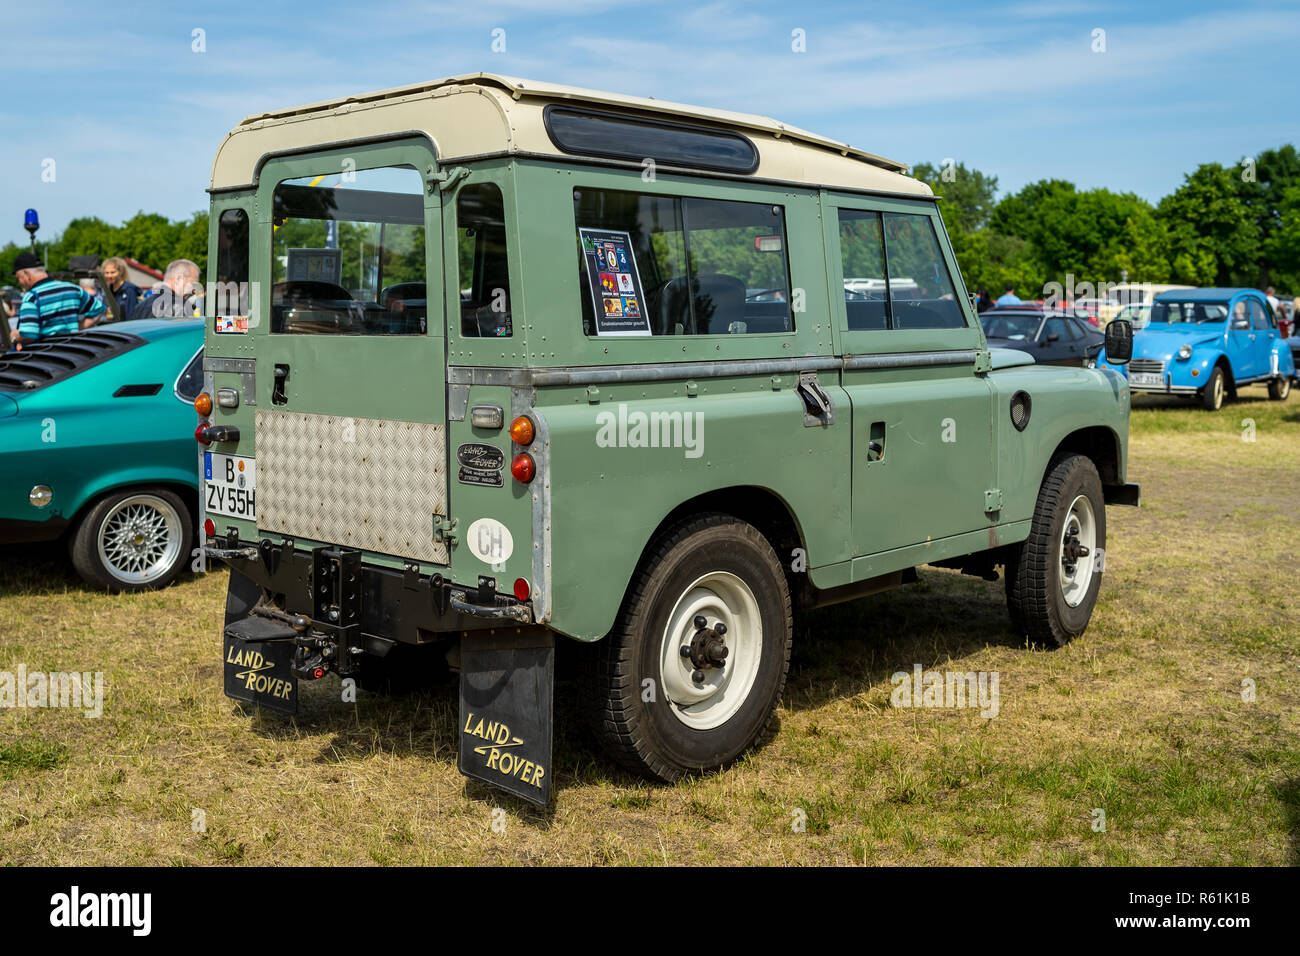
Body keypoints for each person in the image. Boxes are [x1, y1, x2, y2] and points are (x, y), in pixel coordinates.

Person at [11, 250, 106, 344]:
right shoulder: (72, 288)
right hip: (75, 349)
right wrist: (79, 328)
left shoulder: (31, 297)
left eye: (18, 277)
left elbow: (29, 335)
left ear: (27, 274)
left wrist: (15, 336)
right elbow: (99, 309)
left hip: (48, 355)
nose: (19, 282)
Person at [132, 259, 204, 319]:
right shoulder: (180, 308)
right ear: (178, 279)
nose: (195, 290)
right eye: (193, 283)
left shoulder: (140, 307)